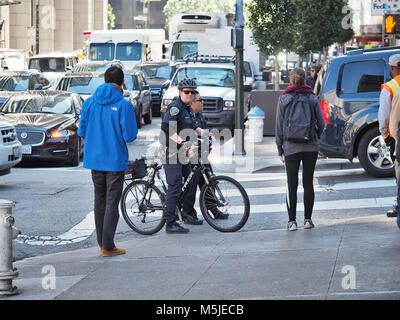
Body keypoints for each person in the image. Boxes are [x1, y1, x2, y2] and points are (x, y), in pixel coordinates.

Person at [78, 66, 138, 256]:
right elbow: (129, 136)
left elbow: (82, 132)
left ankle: (102, 244)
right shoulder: (124, 105)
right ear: (122, 82)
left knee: (100, 200)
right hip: (114, 160)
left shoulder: (88, 103)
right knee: (112, 201)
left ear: (104, 80)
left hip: (94, 160)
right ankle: (108, 245)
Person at [275, 67, 325, 231]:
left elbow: (279, 127)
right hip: (310, 146)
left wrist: (280, 149)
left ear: (290, 79)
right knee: (308, 183)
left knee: (291, 185)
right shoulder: (312, 97)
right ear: (305, 79)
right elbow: (322, 123)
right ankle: (308, 220)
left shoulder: (284, 99)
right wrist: (315, 136)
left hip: (290, 147)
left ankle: (291, 221)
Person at [160, 78, 204, 234]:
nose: (190, 95)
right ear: (180, 92)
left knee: (190, 181)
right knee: (176, 186)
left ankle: (185, 213)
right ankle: (170, 224)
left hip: (184, 152)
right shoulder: (175, 108)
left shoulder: (188, 108)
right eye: (187, 92)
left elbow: (195, 127)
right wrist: (182, 143)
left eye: (192, 92)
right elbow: (168, 130)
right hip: (171, 152)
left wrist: (206, 134)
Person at [189, 91, 229, 220]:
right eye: (200, 100)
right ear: (192, 103)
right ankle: (188, 213)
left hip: (201, 155)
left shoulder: (199, 115)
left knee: (208, 181)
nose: (203, 102)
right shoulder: (188, 116)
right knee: (191, 185)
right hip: (189, 155)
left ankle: (213, 209)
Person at [379, 54, 400, 223]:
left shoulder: (390, 87)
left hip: (397, 136)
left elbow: (384, 115)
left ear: (392, 68)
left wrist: (385, 134)